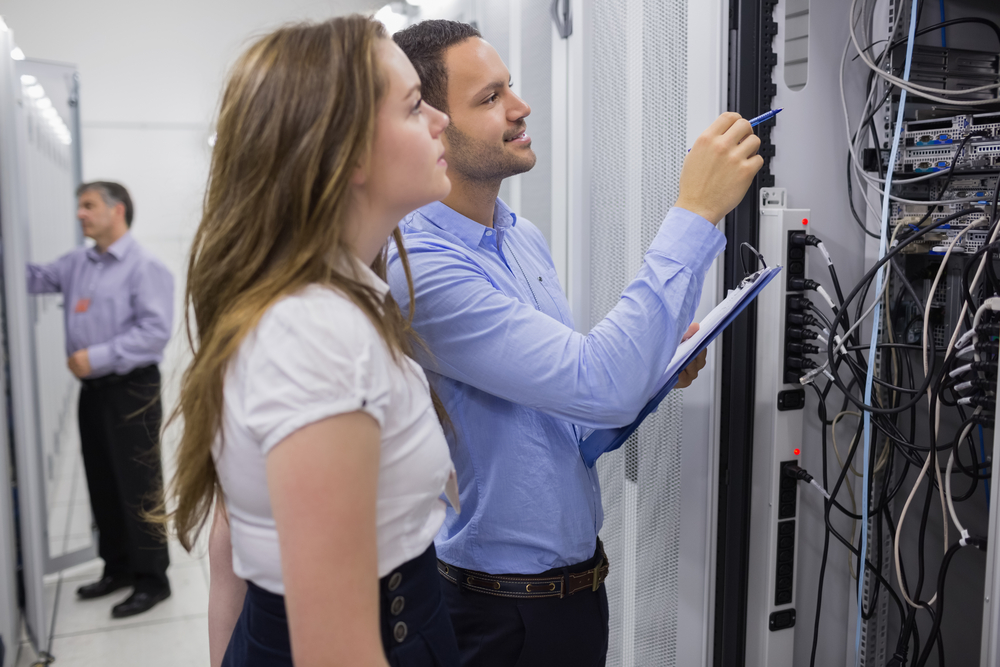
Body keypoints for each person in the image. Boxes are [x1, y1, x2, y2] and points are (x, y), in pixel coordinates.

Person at [387, 20, 763, 666]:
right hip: (497, 616)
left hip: (576, 595)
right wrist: (694, 211)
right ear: (433, 126)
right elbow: (597, 381)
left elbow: (581, 422)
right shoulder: (420, 269)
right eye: (489, 98)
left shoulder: (520, 237)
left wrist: (653, 370)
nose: (520, 106)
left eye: (511, 87)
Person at [167, 15, 460, 666]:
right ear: (347, 154)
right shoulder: (314, 333)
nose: (441, 121)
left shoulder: (338, 299)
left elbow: (231, 545)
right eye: (415, 107)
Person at [27, 181, 175, 618]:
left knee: (138, 484)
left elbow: (155, 332)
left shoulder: (145, 267)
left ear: (117, 211)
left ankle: (153, 579)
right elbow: (32, 278)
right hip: (92, 392)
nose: (80, 214)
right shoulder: (77, 263)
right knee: (102, 481)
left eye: (88, 206)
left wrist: (97, 356)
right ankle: (118, 568)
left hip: (132, 387)